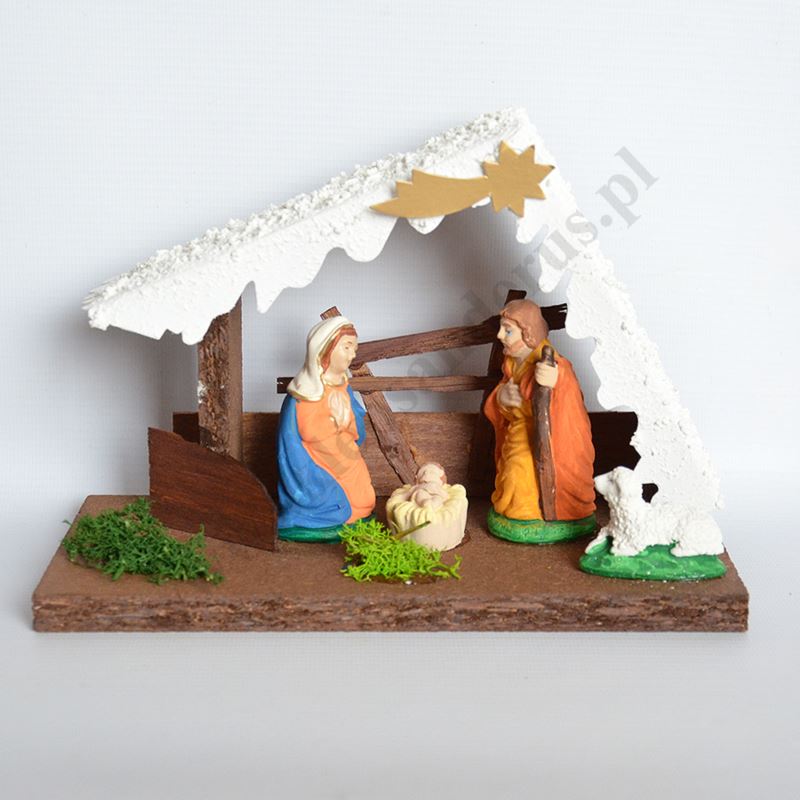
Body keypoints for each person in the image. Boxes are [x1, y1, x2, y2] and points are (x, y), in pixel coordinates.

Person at [483, 299, 596, 541]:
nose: (500, 335)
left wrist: (557, 381)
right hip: (518, 433)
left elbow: (568, 398)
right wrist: (501, 398)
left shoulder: (553, 364)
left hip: (551, 441)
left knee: (519, 475)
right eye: (502, 328)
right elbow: (502, 399)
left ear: (528, 332)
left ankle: (533, 514)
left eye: (508, 330)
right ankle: (521, 514)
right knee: (511, 474)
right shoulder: (512, 362)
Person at [276, 316, 376, 541]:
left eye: (354, 349)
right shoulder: (304, 393)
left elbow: (356, 428)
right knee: (346, 505)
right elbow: (303, 435)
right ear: (325, 349)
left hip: (346, 454)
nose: (352, 355)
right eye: (347, 347)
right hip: (316, 464)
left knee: (365, 501)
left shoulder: (343, 386)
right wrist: (333, 424)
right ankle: (314, 515)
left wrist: (347, 423)